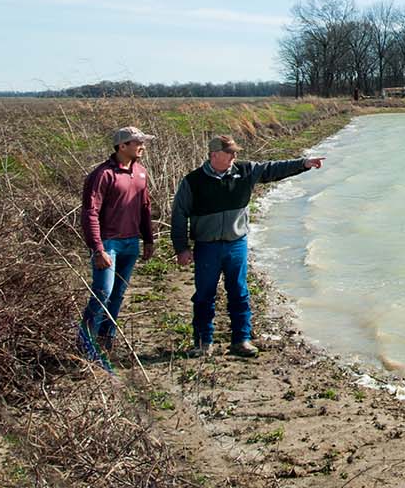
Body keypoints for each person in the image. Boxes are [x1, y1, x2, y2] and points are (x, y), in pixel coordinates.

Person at [170, 134, 323, 357]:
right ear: (214, 155)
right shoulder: (193, 181)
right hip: (207, 246)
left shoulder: (246, 171)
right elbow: (179, 215)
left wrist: (304, 164)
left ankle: (241, 340)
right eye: (229, 152)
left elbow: (272, 169)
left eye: (235, 152)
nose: (235, 155)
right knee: (204, 295)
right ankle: (203, 342)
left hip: (236, 244)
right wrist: (181, 248)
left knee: (239, 292)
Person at [78, 126, 157, 360]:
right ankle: (85, 345)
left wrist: (149, 239)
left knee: (118, 294)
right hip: (108, 244)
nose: (142, 146)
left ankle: (106, 342)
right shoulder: (102, 175)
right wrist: (98, 248)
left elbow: (145, 208)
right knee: (103, 292)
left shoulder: (141, 172)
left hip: (131, 244)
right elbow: (90, 212)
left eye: (143, 142)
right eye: (137, 142)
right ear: (122, 146)